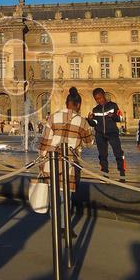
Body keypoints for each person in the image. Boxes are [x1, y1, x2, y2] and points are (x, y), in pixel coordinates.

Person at [39, 87, 94, 229]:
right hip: (69, 163)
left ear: (66, 102)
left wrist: (41, 161)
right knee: (66, 197)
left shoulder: (52, 118)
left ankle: (56, 226)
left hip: (51, 161)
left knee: (54, 195)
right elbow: (89, 144)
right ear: (79, 105)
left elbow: (44, 142)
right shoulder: (82, 122)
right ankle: (64, 227)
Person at [87, 88, 126, 181]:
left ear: (104, 95)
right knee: (102, 155)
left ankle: (122, 173)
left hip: (112, 133)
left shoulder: (113, 106)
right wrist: (90, 120)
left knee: (118, 153)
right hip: (100, 134)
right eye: (96, 99)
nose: (99, 100)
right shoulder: (95, 109)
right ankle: (105, 174)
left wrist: (113, 116)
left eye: (100, 98)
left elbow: (120, 118)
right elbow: (94, 123)